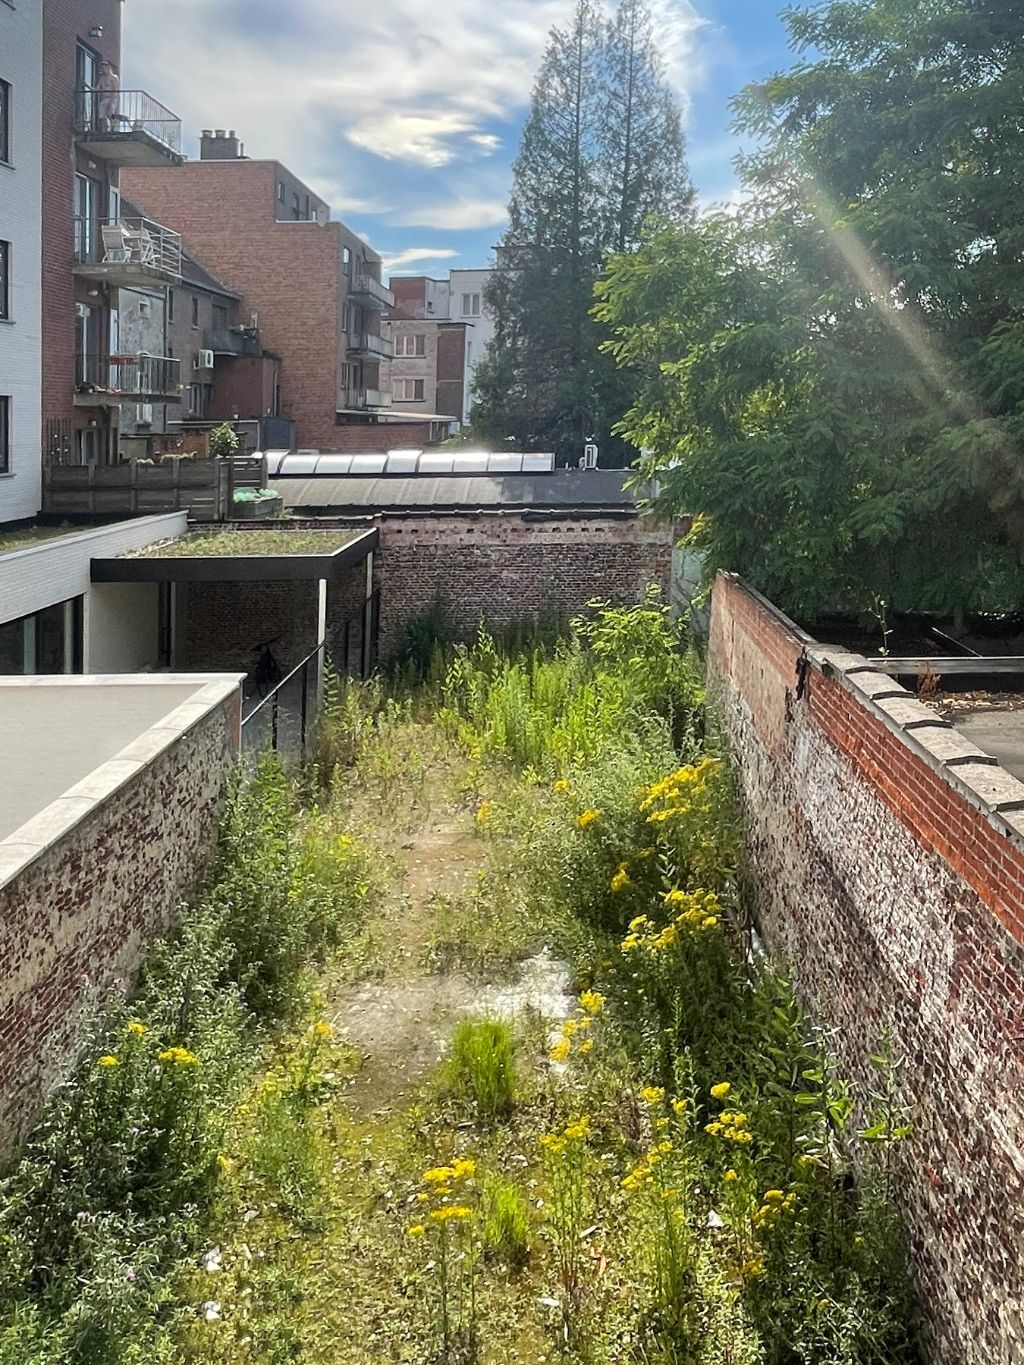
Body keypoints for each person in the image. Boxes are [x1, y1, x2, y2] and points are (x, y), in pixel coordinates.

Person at [96, 62, 119, 130]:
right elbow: (97, 88)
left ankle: (113, 128)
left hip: (112, 98)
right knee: (102, 116)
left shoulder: (114, 78)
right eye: (102, 68)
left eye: (104, 67)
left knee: (109, 113)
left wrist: (111, 102)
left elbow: (115, 91)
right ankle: (104, 130)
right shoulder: (102, 78)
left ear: (108, 68)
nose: (103, 69)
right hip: (104, 98)